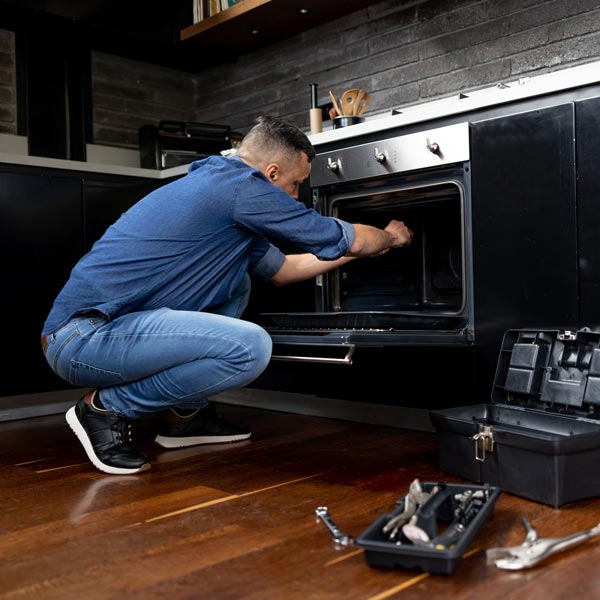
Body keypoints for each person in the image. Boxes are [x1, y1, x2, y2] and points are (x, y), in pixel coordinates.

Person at [41, 114, 413, 476]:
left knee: (237, 282)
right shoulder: (241, 188)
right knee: (250, 348)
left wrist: (349, 256)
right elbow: (343, 236)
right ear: (271, 174)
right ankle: (105, 409)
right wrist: (390, 237)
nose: (297, 197)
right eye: (296, 183)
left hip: (102, 335)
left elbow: (283, 270)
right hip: (83, 340)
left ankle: (186, 416)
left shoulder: (223, 192)